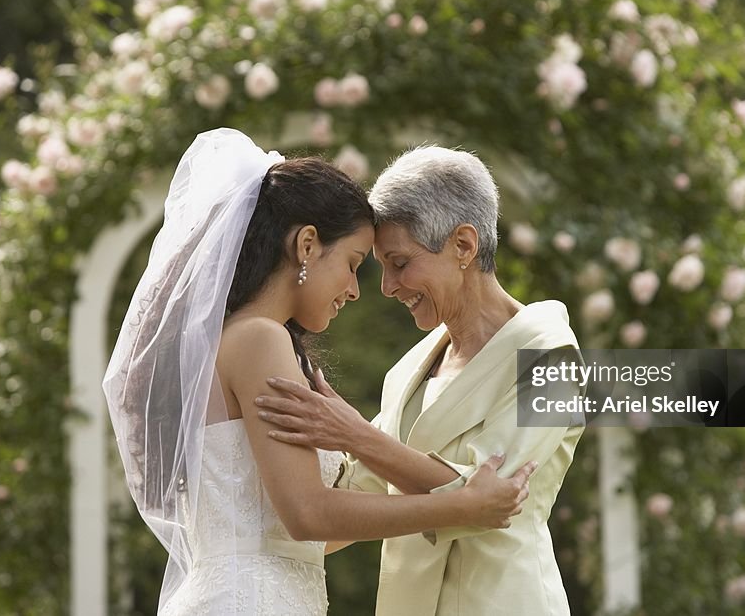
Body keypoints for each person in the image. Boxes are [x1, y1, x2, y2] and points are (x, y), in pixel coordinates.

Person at [102, 130, 535, 615]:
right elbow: (307, 515)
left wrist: (354, 435)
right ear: (307, 245)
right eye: (354, 264)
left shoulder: (242, 340)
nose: (357, 289)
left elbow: (304, 520)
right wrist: (462, 507)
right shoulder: (260, 340)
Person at [258, 145, 585, 615]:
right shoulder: (407, 371)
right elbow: (355, 502)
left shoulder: (551, 357)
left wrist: (354, 433)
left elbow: (488, 499)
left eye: (400, 262)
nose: (388, 286)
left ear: (464, 246)